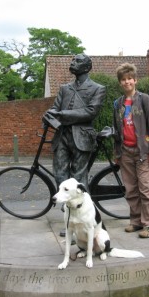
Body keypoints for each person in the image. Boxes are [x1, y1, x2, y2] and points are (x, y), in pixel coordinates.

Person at [43, 54, 106, 236]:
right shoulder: (64, 88)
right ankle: (70, 218)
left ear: (87, 67)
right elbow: (55, 108)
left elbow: (90, 112)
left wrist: (62, 114)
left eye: (77, 61)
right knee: (60, 174)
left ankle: (84, 220)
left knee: (79, 177)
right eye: (72, 60)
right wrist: (49, 114)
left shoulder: (97, 88)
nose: (72, 63)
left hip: (82, 136)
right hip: (62, 135)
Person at [112, 63, 149, 238]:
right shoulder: (117, 103)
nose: (127, 82)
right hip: (125, 152)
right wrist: (117, 153)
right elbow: (116, 130)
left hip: (143, 152)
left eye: (129, 79)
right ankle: (136, 221)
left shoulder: (144, 99)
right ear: (120, 83)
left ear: (135, 80)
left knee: (146, 188)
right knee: (131, 189)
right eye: (123, 80)